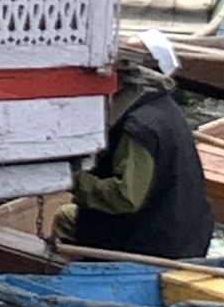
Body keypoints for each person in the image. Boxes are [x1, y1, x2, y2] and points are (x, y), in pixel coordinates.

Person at [52, 32, 212, 259]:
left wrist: (74, 179)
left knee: (65, 221)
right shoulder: (163, 108)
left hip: (152, 246)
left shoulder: (140, 127)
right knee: (65, 216)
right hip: (184, 234)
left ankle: (71, 276)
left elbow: (125, 196)